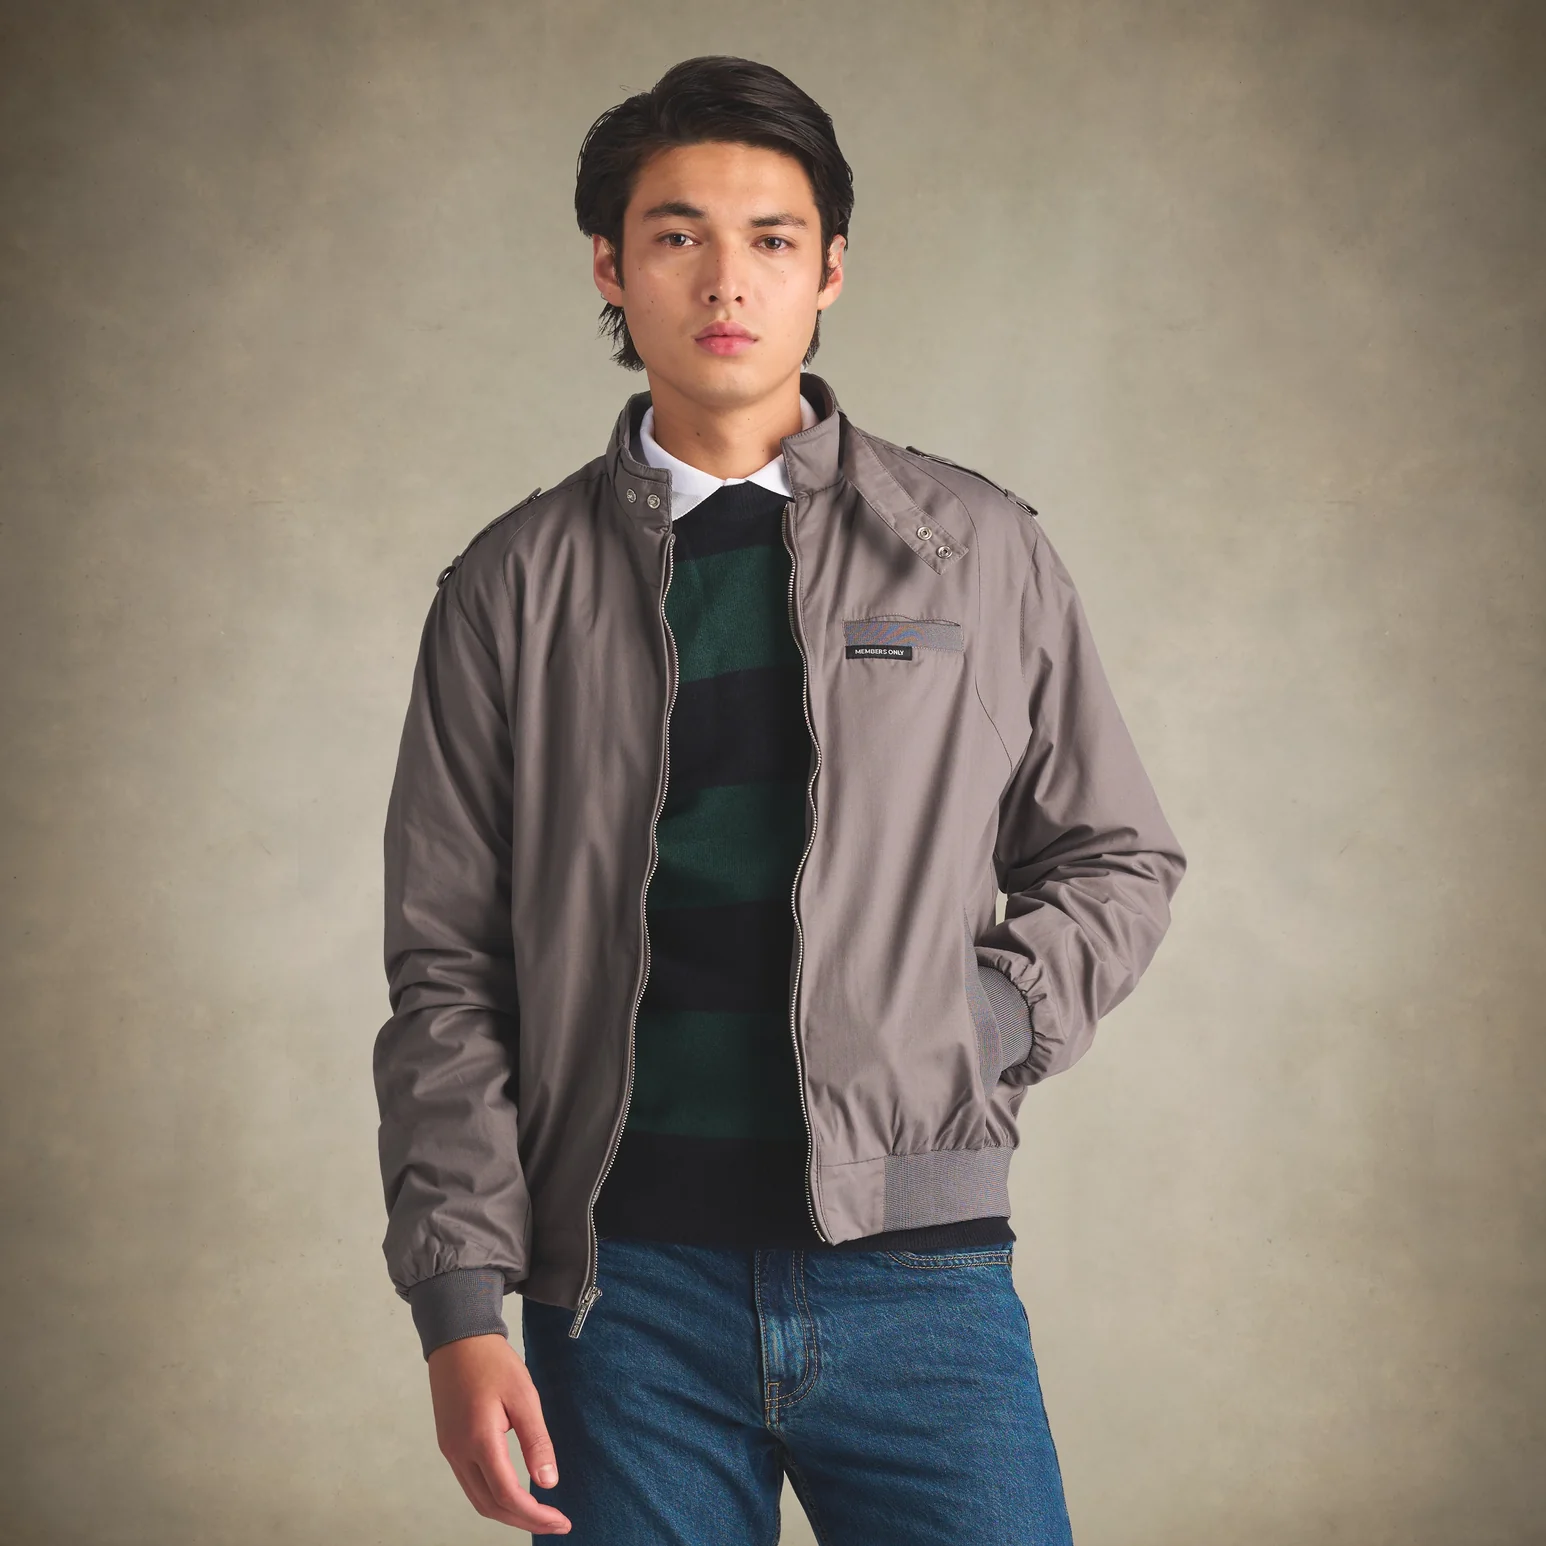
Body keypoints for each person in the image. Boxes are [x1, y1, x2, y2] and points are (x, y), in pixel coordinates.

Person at [373, 54, 1186, 1543]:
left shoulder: (976, 551)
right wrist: (459, 1303)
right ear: (610, 268)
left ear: (830, 271)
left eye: (771, 238)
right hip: (621, 1294)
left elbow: (1114, 855)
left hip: (919, 1276)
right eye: (677, 235)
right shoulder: (508, 587)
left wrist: (982, 1021)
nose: (725, 280)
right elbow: (448, 968)